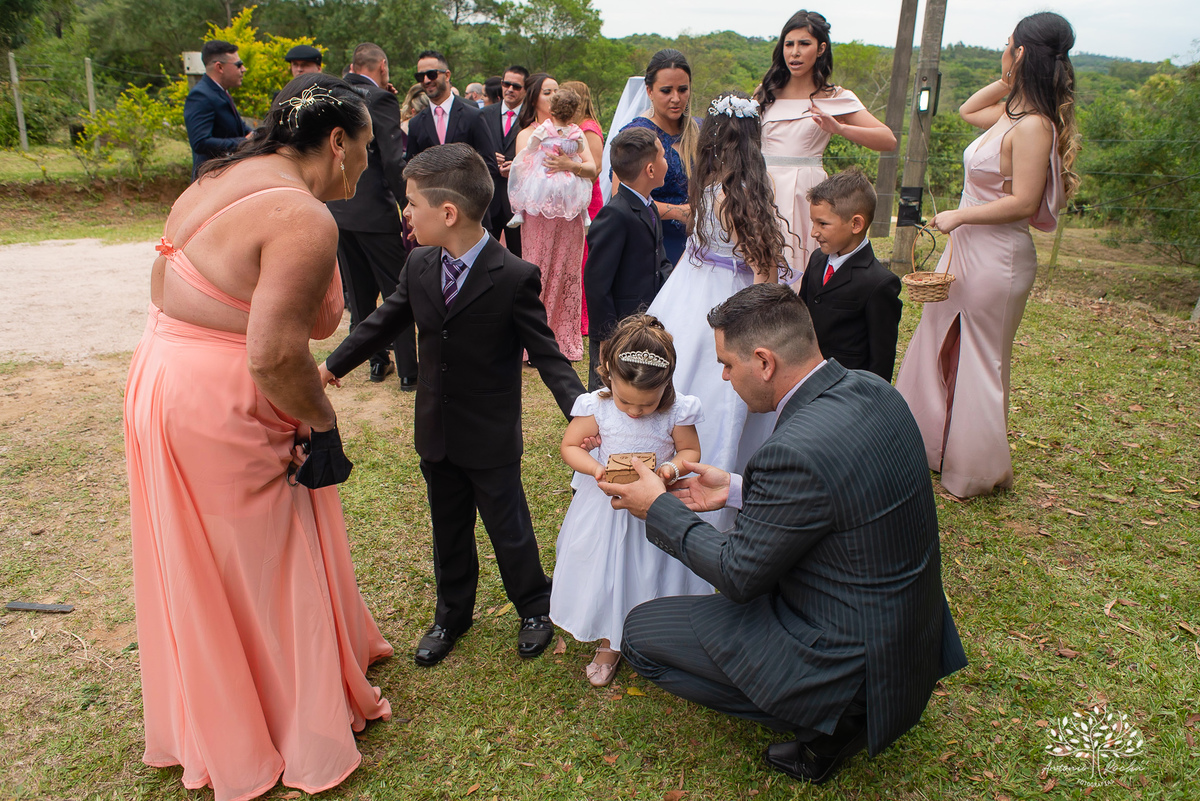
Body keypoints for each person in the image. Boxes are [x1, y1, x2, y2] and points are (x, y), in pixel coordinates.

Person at [125, 73, 393, 801]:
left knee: (210, 558)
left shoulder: (219, 176)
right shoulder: (302, 216)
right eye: (367, 146)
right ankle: (283, 722)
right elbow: (274, 354)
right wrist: (323, 424)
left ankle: (230, 703)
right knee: (259, 560)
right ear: (336, 142)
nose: (370, 162)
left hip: (163, 374)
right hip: (221, 402)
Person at [603, 283, 967, 786]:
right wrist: (735, 489)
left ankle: (830, 721)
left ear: (764, 362)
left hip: (847, 656)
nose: (724, 377)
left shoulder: (792, 450)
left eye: (727, 365)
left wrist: (658, 507)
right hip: (905, 636)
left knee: (641, 635)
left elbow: (738, 575)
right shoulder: (875, 390)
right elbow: (837, 490)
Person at [319, 143, 587, 667]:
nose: (406, 213)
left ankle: (534, 606)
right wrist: (332, 366)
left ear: (447, 213)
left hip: (489, 432)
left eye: (412, 202)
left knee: (509, 528)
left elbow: (547, 353)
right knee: (448, 528)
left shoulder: (512, 275)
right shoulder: (419, 263)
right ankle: (452, 614)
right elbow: (384, 322)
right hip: (436, 428)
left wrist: (581, 410)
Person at [896, 12, 1078, 499]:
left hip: (997, 255)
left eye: (1008, 45)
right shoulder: (1011, 115)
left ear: (1022, 53)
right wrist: (1008, 79)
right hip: (966, 250)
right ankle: (930, 446)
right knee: (938, 339)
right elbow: (966, 109)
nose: (1003, 51)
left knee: (979, 357)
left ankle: (974, 468)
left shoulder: (1034, 126)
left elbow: (1023, 202)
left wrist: (960, 216)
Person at [646, 91, 789, 532]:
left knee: (684, 372)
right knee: (721, 387)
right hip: (725, 295)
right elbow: (763, 269)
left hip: (688, 289)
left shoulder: (707, 184)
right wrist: (764, 319)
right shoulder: (744, 194)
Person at [552, 314, 708, 687]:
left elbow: (690, 450)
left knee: (652, 570)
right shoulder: (597, 407)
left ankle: (661, 635)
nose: (636, 412)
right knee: (610, 572)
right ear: (608, 375)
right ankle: (611, 640)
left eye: (647, 404)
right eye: (626, 401)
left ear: (666, 384)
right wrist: (595, 468)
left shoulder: (677, 410)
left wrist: (670, 469)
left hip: (656, 507)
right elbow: (570, 445)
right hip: (607, 509)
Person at [755, 10, 896, 279]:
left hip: (804, 188)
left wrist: (840, 128)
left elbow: (887, 139)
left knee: (801, 258)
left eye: (804, 44)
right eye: (789, 44)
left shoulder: (834, 97)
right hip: (761, 184)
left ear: (820, 49)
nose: (795, 52)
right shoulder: (766, 92)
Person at [326, 43, 415, 389]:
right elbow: (392, 159)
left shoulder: (333, 93)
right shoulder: (380, 99)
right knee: (397, 291)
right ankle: (408, 371)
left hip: (338, 208)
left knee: (360, 294)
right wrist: (408, 204)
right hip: (375, 213)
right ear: (382, 66)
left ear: (352, 66)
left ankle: (377, 363)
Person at [513, 76, 597, 362]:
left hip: (569, 213)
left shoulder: (575, 133)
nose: (552, 98)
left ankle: (563, 340)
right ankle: (532, 341)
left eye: (555, 93)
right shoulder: (531, 133)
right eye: (547, 92)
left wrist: (569, 165)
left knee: (567, 271)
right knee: (538, 269)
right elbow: (524, 166)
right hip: (539, 212)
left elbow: (593, 168)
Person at [584, 128, 672, 390]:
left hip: (644, 320)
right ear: (650, 170)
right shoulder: (615, 214)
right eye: (663, 156)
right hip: (618, 325)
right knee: (607, 385)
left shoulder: (649, 206)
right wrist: (606, 336)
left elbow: (659, 260)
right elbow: (597, 282)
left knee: (636, 384)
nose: (667, 162)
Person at [798, 169, 902, 381]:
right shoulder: (817, 260)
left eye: (823, 224)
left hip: (846, 387)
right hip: (806, 378)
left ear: (856, 224)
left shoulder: (879, 283)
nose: (814, 232)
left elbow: (881, 358)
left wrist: (870, 395)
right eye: (813, 222)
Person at [612, 49, 697, 266]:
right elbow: (621, 199)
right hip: (654, 246)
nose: (676, 98)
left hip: (699, 245)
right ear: (649, 91)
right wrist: (678, 212)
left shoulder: (699, 130)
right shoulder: (636, 135)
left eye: (683, 89)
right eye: (666, 91)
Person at [404, 50, 501, 230]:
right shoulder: (416, 123)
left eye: (431, 74)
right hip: (433, 220)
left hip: (470, 216)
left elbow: (489, 165)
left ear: (447, 75)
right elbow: (412, 170)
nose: (426, 80)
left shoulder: (473, 116)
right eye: (420, 76)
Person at [506, 87, 594, 228]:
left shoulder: (545, 128)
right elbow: (580, 148)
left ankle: (519, 212)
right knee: (576, 191)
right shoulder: (574, 131)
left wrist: (536, 150)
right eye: (547, 92)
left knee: (533, 185)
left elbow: (532, 144)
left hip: (548, 170)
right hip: (565, 177)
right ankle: (585, 215)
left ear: (551, 109)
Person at [561, 79, 604, 337]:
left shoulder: (588, 129)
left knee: (585, 257)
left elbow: (595, 168)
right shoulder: (574, 128)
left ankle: (583, 318)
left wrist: (567, 166)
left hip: (589, 199)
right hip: (575, 197)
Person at [184, 40, 251, 179]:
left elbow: (240, 129)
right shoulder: (201, 95)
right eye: (238, 65)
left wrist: (260, 136)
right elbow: (200, 142)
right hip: (211, 180)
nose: (243, 69)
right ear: (219, 67)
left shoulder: (220, 92)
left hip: (227, 177)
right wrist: (243, 142)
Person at [482, 64, 530, 255]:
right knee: (484, 254)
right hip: (488, 197)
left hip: (518, 201)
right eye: (506, 84)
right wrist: (487, 157)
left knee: (519, 255)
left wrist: (519, 166)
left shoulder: (531, 117)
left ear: (526, 89)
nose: (510, 89)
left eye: (516, 86)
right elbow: (471, 149)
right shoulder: (484, 114)